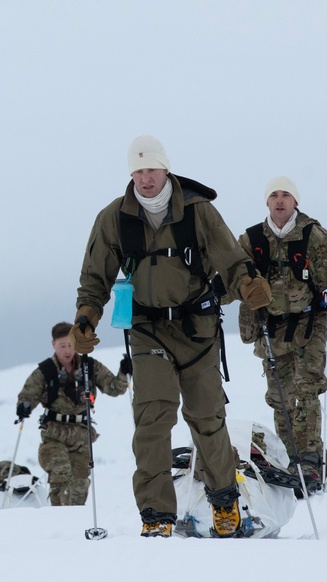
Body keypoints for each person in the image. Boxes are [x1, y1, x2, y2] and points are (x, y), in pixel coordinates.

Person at [71, 135, 272, 538]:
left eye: (152, 169)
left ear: (166, 169)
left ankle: (224, 502)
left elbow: (230, 259)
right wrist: (86, 318)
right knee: (152, 420)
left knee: (207, 419)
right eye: (138, 170)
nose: (145, 178)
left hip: (197, 330)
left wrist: (249, 285)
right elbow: (95, 278)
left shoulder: (198, 211)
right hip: (147, 332)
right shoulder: (115, 218)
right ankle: (156, 515)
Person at [238, 176, 327, 494]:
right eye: (274, 196)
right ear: (267, 202)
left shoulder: (314, 236)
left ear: (295, 202)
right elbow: (231, 275)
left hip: (311, 324)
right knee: (280, 395)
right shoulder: (252, 240)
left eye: (286, 195)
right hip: (271, 326)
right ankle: (287, 459)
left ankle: (308, 462)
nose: (280, 201)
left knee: (305, 390)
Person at [16, 322, 130, 506]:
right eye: (62, 346)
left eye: (70, 345)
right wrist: (24, 406)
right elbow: (28, 395)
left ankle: (75, 522)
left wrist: (124, 372)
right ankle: (57, 516)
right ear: (54, 344)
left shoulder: (89, 367)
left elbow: (114, 388)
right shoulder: (45, 372)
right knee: (61, 470)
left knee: (80, 482)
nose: (67, 351)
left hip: (82, 436)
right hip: (54, 436)